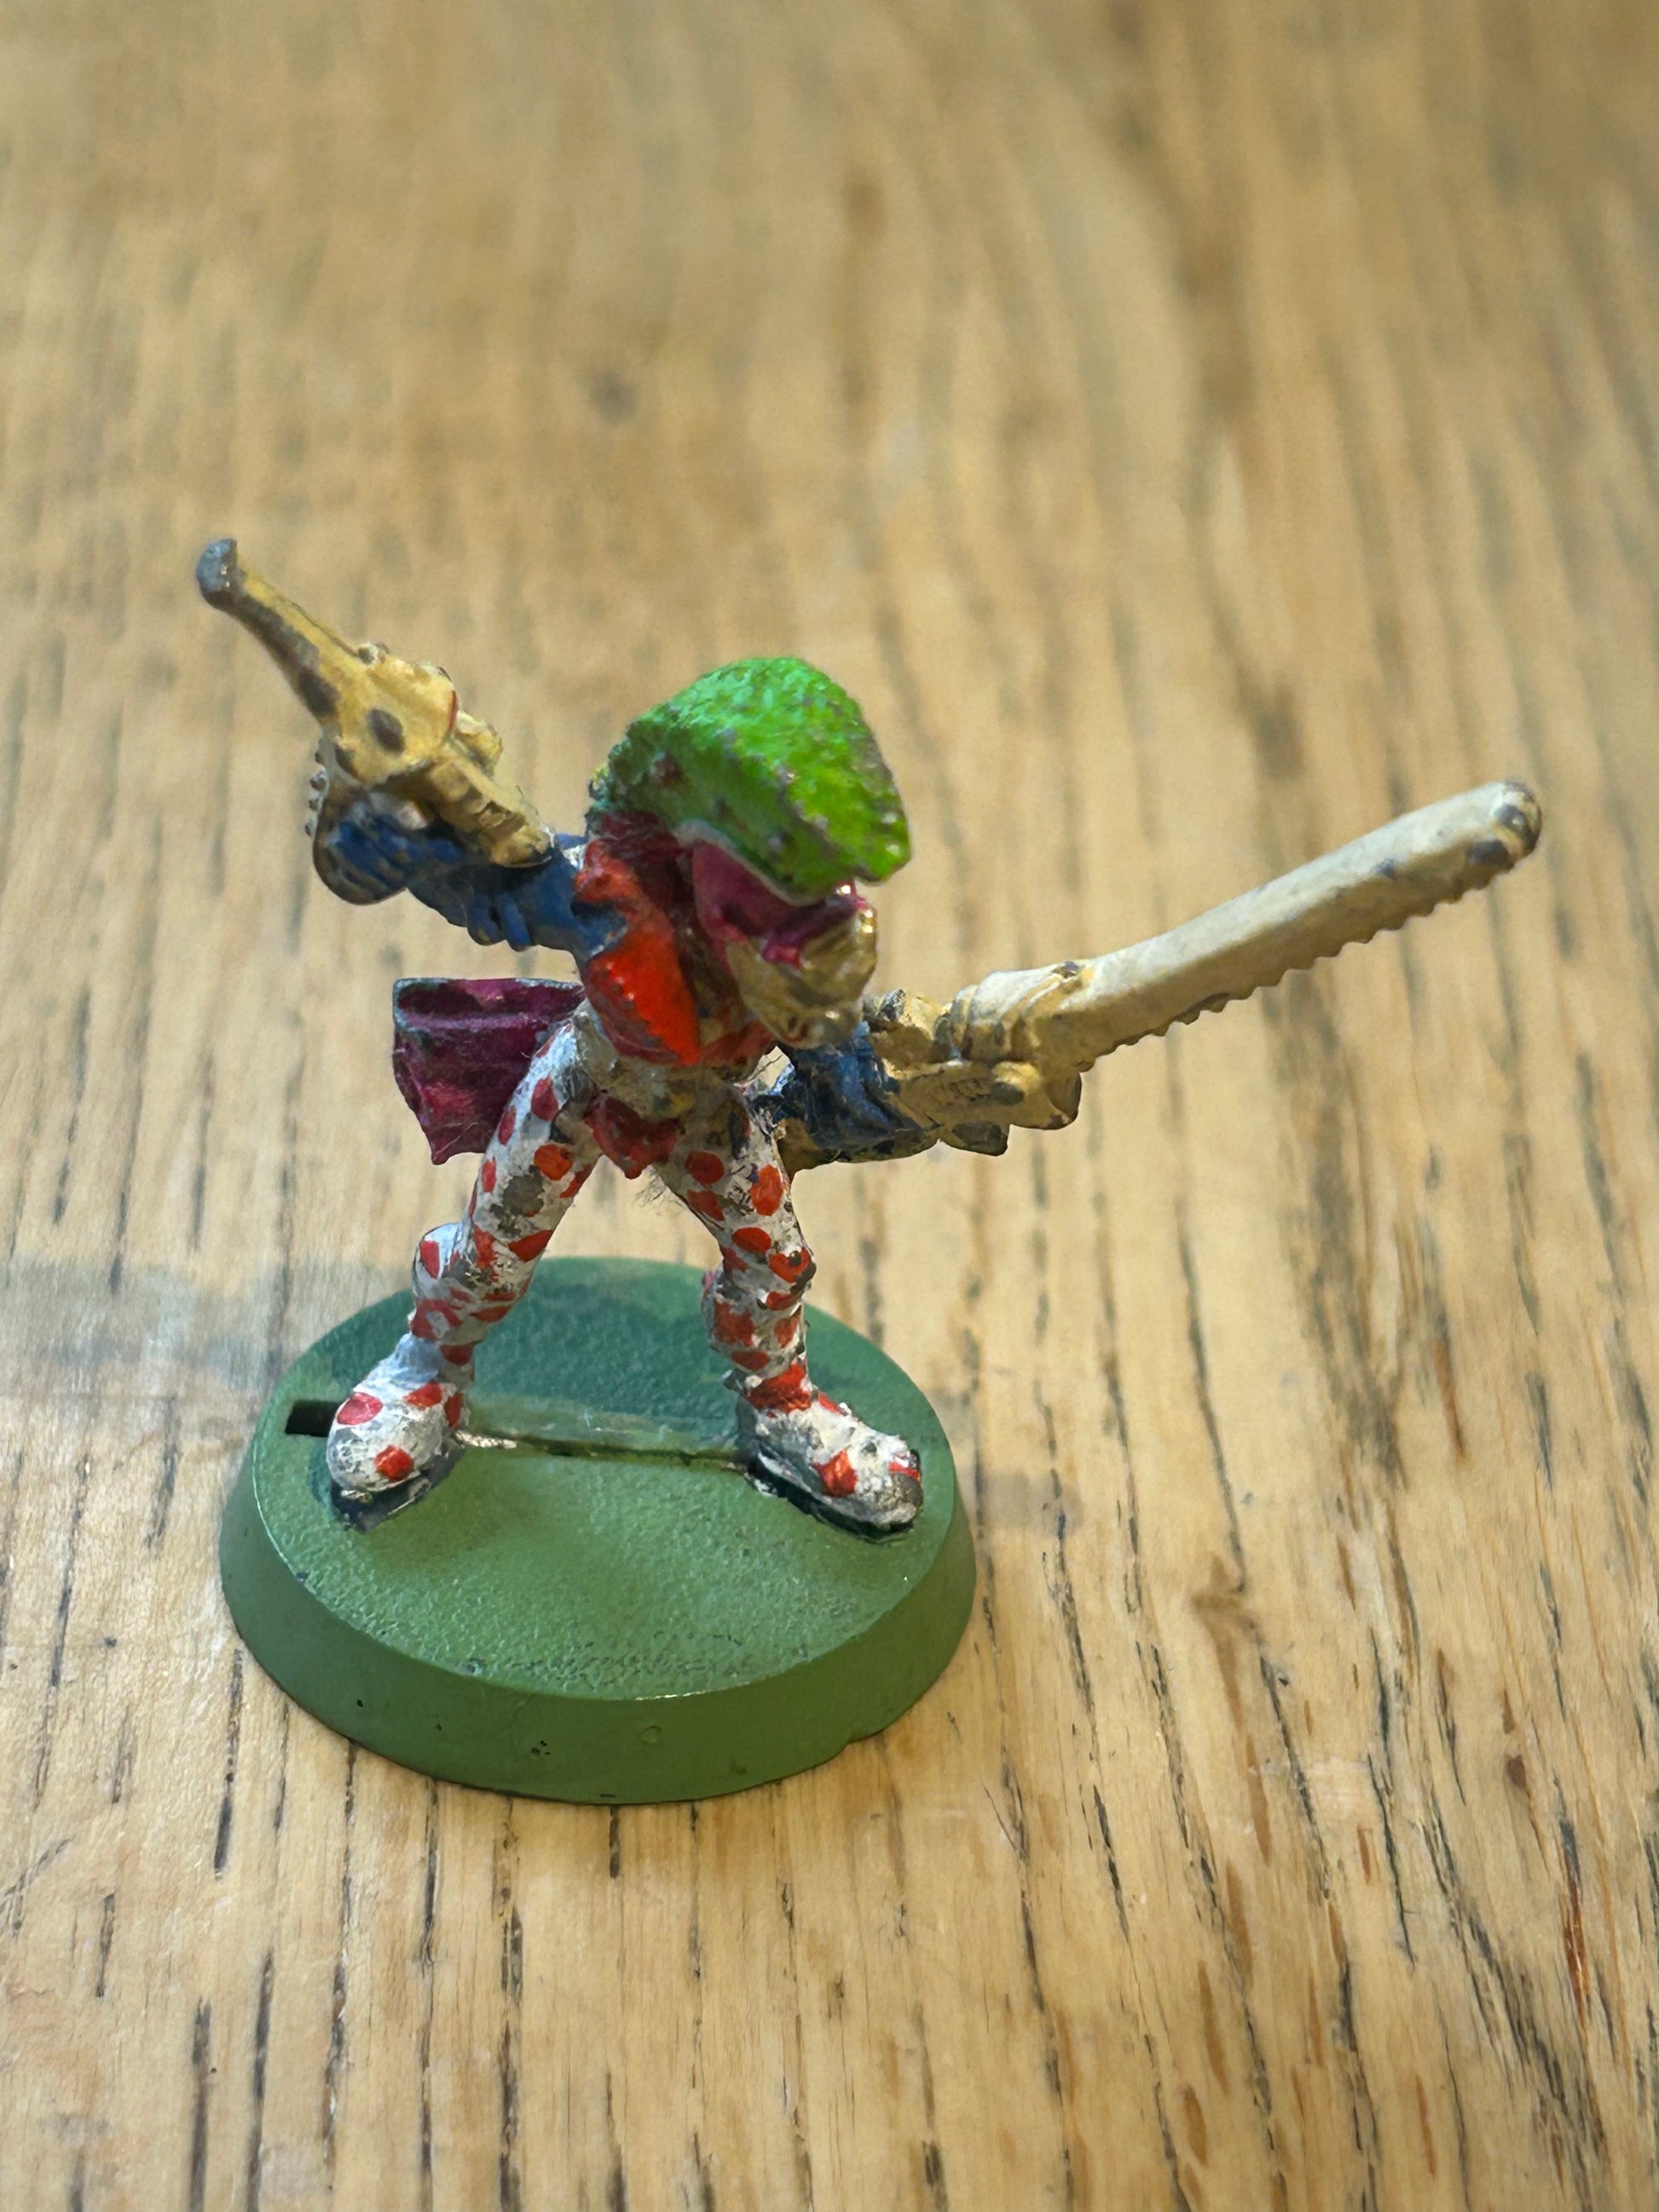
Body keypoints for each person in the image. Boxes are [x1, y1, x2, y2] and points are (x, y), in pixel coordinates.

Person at [321, 655, 926, 1535]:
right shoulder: (601, 895)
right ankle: (426, 1368)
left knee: (775, 1264)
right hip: (582, 1084)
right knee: (489, 1256)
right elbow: (477, 878)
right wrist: (392, 837)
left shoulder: (810, 934)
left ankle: (782, 1406)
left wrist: (885, 1088)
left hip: (708, 1110)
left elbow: (829, 1034)